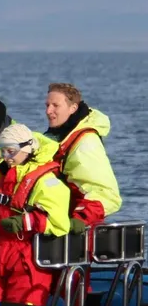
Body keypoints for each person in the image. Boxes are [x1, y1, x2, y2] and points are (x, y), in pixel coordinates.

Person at [0, 123, 70, 306]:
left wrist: (24, 221)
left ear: (27, 148)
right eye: (2, 151)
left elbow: (59, 222)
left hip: (26, 255)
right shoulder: (4, 175)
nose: (6, 157)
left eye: (11, 151)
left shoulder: (46, 182)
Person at [42, 82, 122, 231]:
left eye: (55, 105)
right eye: (47, 105)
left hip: (76, 232)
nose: (48, 111)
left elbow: (106, 194)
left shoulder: (85, 143)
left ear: (73, 108)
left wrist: (79, 220)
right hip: (52, 225)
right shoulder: (55, 137)